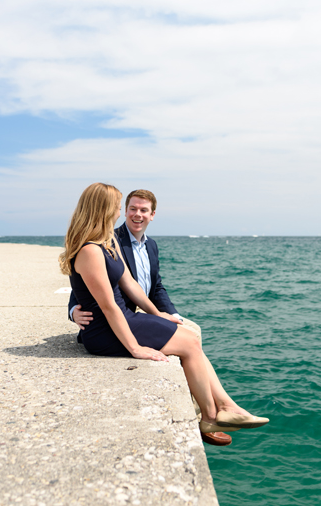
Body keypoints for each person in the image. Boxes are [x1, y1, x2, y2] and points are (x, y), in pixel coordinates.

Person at [59, 183, 268, 447]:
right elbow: (109, 305)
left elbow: (131, 285)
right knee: (190, 343)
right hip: (105, 330)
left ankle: (223, 408)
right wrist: (135, 349)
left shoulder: (107, 242)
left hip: (124, 319)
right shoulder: (89, 250)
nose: (118, 212)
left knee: (190, 337)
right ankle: (212, 416)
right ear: (103, 209)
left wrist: (160, 315)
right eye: (118, 206)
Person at [69, 189, 201, 339]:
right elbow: (86, 281)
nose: (137, 214)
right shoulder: (110, 241)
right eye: (133, 209)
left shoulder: (151, 245)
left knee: (191, 332)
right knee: (189, 339)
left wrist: (173, 315)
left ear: (152, 215)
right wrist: (74, 309)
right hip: (118, 321)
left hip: (144, 314)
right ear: (125, 211)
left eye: (144, 210)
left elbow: (156, 286)